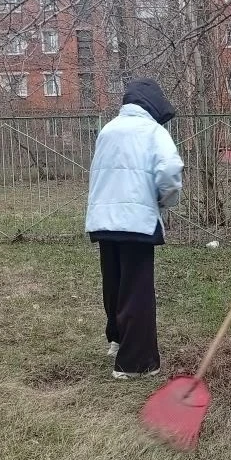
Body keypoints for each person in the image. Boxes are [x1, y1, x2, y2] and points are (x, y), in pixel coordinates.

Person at [85, 78, 184, 379]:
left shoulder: (108, 130)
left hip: (104, 219)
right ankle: (135, 363)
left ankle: (117, 339)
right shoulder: (154, 132)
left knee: (114, 283)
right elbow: (170, 172)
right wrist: (165, 201)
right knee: (137, 291)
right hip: (136, 222)